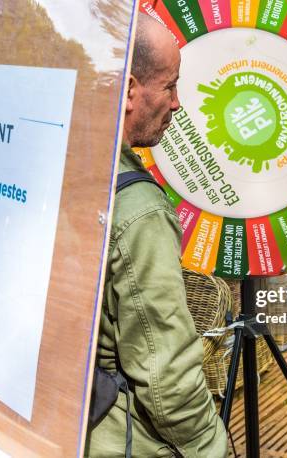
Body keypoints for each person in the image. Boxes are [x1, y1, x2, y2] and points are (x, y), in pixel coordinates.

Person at [85, 13, 228, 458]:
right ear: (129, 89)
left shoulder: (65, 158)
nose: (178, 103)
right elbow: (166, 377)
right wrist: (211, 446)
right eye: (170, 86)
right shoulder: (138, 208)